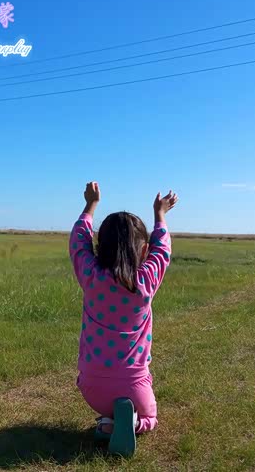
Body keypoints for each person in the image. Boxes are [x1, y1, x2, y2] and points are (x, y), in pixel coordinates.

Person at [69, 181, 178, 457]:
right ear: (143, 251)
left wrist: (90, 205)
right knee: (150, 417)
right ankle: (132, 422)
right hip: (133, 386)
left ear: (98, 248)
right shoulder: (144, 282)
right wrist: (160, 215)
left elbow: (78, 244)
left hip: (92, 387)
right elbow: (162, 251)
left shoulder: (92, 278)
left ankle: (108, 423)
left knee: (109, 409)